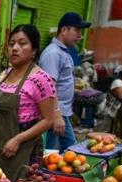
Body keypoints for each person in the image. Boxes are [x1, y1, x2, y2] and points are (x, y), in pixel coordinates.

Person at [0, 24, 56, 182]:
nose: (15, 48)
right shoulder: (5, 73)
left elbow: (48, 120)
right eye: (11, 44)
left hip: (23, 151)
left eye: (22, 43)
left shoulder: (41, 79)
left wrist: (18, 140)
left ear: (34, 49)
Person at [39, 12, 90, 151]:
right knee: (52, 155)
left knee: (69, 153)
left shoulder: (64, 51)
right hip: (53, 114)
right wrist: (56, 115)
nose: (80, 35)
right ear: (63, 30)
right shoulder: (53, 53)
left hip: (61, 113)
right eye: (77, 30)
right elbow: (48, 86)